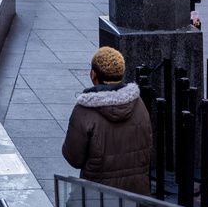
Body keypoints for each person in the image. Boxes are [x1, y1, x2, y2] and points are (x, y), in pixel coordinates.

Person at [62, 46, 152, 192]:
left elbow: (73, 158)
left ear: (93, 74)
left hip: (98, 196)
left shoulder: (84, 110)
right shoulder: (139, 104)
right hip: (136, 195)